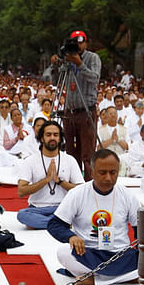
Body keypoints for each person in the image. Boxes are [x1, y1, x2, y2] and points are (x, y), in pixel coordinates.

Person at [47, 149, 139, 285]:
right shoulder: (77, 193)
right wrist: (71, 237)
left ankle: (95, 279)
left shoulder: (127, 195)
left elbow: (142, 226)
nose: (108, 178)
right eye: (102, 173)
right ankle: (126, 277)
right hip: (88, 253)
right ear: (92, 172)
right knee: (63, 253)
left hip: (121, 255)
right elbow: (54, 224)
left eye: (113, 173)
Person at [16, 120, 83, 229]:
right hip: (37, 209)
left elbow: (81, 190)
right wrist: (46, 180)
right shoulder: (30, 161)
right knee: (22, 215)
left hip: (62, 207)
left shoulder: (69, 160)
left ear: (60, 138)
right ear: (42, 138)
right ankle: (58, 223)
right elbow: (21, 191)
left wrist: (59, 182)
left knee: (78, 212)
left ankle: (45, 223)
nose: (52, 138)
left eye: (55, 135)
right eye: (48, 135)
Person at [54, 30, 100, 177]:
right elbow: (58, 79)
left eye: (81, 42)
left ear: (86, 43)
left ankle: (89, 184)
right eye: (74, 42)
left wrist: (80, 65)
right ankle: (72, 183)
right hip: (70, 111)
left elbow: (94, 79)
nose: (78, 45)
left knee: (87, 152)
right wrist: (57, 62)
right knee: (70, 152)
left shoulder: (92, 58)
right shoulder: (67, 58)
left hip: (86, 110)